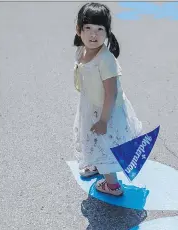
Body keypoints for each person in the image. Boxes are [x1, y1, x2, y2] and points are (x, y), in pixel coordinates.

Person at [73, 2, 142, 196]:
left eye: (99, 29)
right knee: (94, 139)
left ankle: (112, 185)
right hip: (92, 106)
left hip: (107, 110)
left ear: (107, 32)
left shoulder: (106, 60)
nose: (93, 35)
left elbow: (110, 93)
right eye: (88, 28)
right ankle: (96, 163)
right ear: (78, 29)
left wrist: (103, 120)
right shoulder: (82, 51)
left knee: (106, 144)